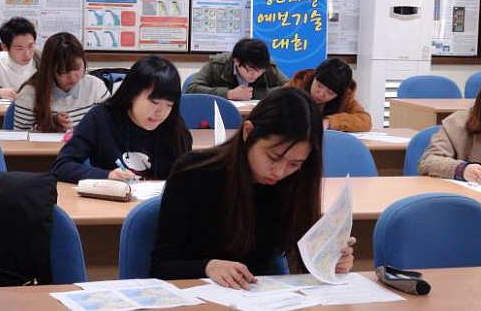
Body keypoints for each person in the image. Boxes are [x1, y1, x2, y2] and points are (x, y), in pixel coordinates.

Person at [151, 87, 355, 287]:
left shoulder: (295, 182)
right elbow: (161, 267)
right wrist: (207, 267)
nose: (280, 172)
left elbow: (302, 261)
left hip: (259, 298)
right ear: (248, 132)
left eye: (295, 164)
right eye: (273, 157)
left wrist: (329, 261)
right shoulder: (193, 173)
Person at [52, 55, 192, 184]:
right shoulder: (101, 118)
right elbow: (62, 165)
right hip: (110, 206)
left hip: (157, 206)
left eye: (169, 105)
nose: (161, 112)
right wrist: (107, 176)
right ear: (132, 94)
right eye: (154, 102)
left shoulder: (174, 126)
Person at [13, 32, 108, 131]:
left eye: (77, 68)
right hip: (47, 147)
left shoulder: (96, 87)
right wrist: (52, 124)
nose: (72, 77)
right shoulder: (29, 95)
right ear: (50, 69)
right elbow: (21, 139)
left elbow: (110, 126)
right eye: (64, 71)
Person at [285, 58, 371, 132]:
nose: (321, 94)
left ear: (338, 94)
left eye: (330, 93)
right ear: (314, 76)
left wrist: (330, 122)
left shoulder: (345, 98)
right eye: (319, 85)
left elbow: (365, 121)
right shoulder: (297, 85)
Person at [186, 38, 288, 100]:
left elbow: (290, 89)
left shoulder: (268, 66)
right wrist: (228, 94)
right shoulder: (217, 65)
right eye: (250, 70)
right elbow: (191, 89)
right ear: (237, 61)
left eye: (261, 71)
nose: (255, 75)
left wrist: (255, 94)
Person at [0, 17, 40, 100]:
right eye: (19, 48)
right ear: (4, 47)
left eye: (30, 46)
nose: (27, 54)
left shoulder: (42, 59)